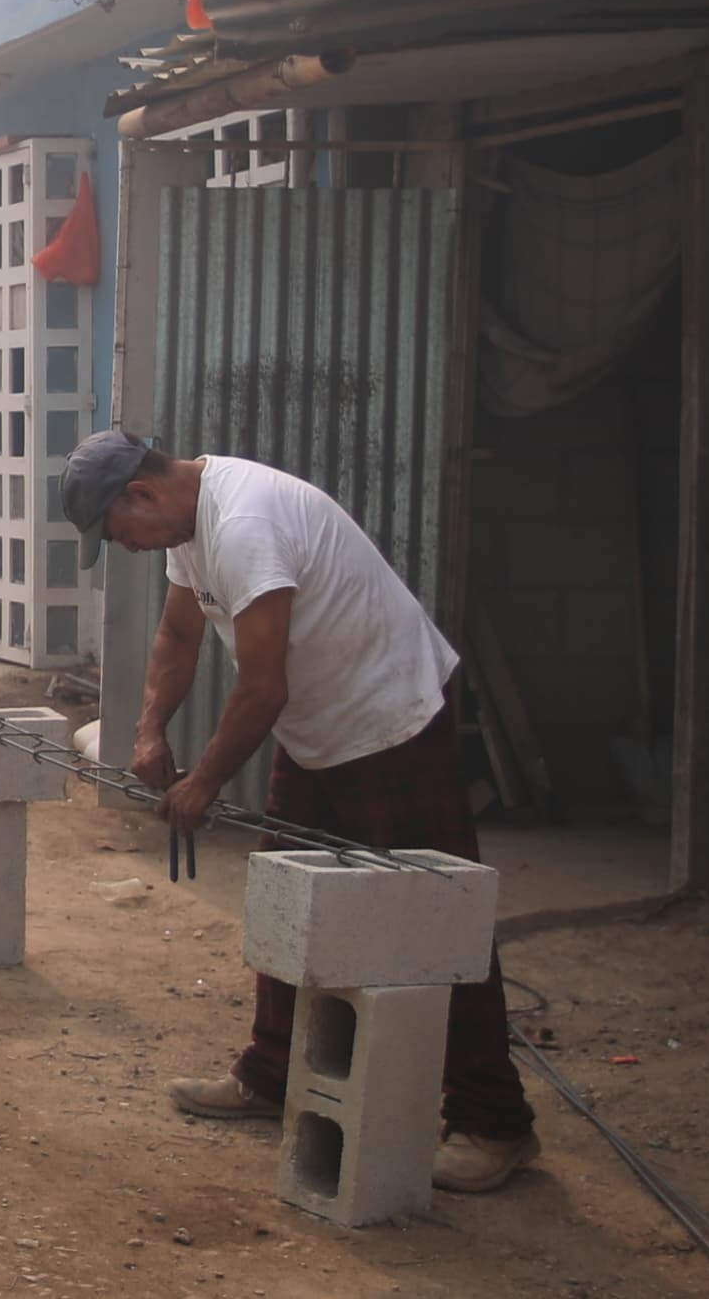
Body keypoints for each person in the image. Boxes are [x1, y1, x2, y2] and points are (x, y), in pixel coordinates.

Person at [61, 428, 538, 1194]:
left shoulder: (246, 522)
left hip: (393, 719)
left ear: (142, 494)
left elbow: (261, 687)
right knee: (289, 899)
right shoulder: (188, 525)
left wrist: (203, 781)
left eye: (122, 534)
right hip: (319, 732)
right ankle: (274, 1071)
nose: (129, 549)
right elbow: (178, 637)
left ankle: (495, 1121)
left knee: (436, 916)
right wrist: (150, 729)